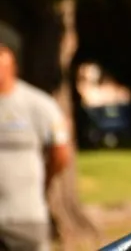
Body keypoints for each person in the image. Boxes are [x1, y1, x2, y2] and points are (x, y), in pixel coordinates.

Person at [0, 22, 71, 251]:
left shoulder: (38, 104)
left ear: (13, 58)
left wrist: (44, 179)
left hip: (26, 217)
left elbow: (60, 154)